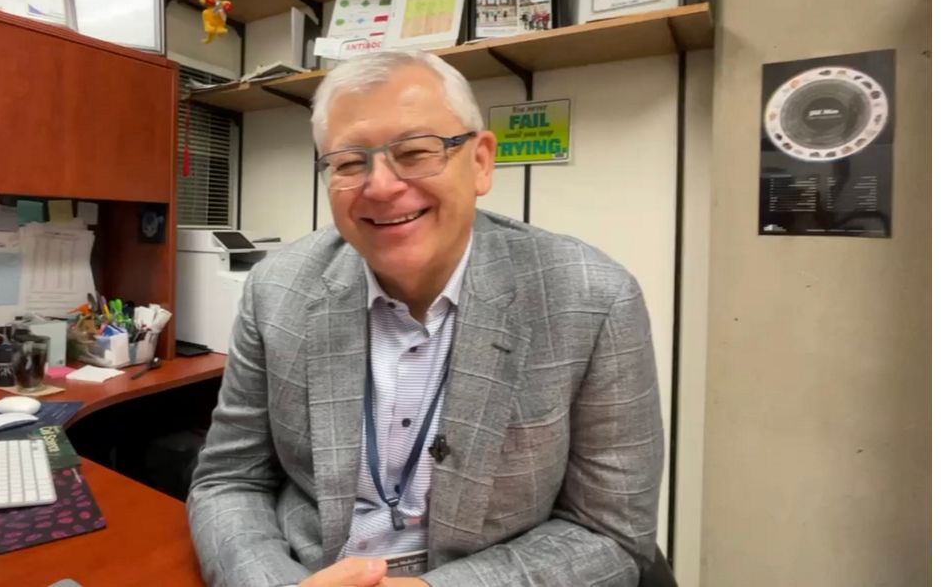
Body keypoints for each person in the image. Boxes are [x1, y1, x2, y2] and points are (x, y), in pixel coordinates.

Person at [187, 51, 664, 587]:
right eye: (349, 163)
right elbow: (229, 480)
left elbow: (610, 533)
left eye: (415, 152)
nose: (381, 186)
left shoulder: (593, 300)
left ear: (480, 162)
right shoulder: (277, 289)